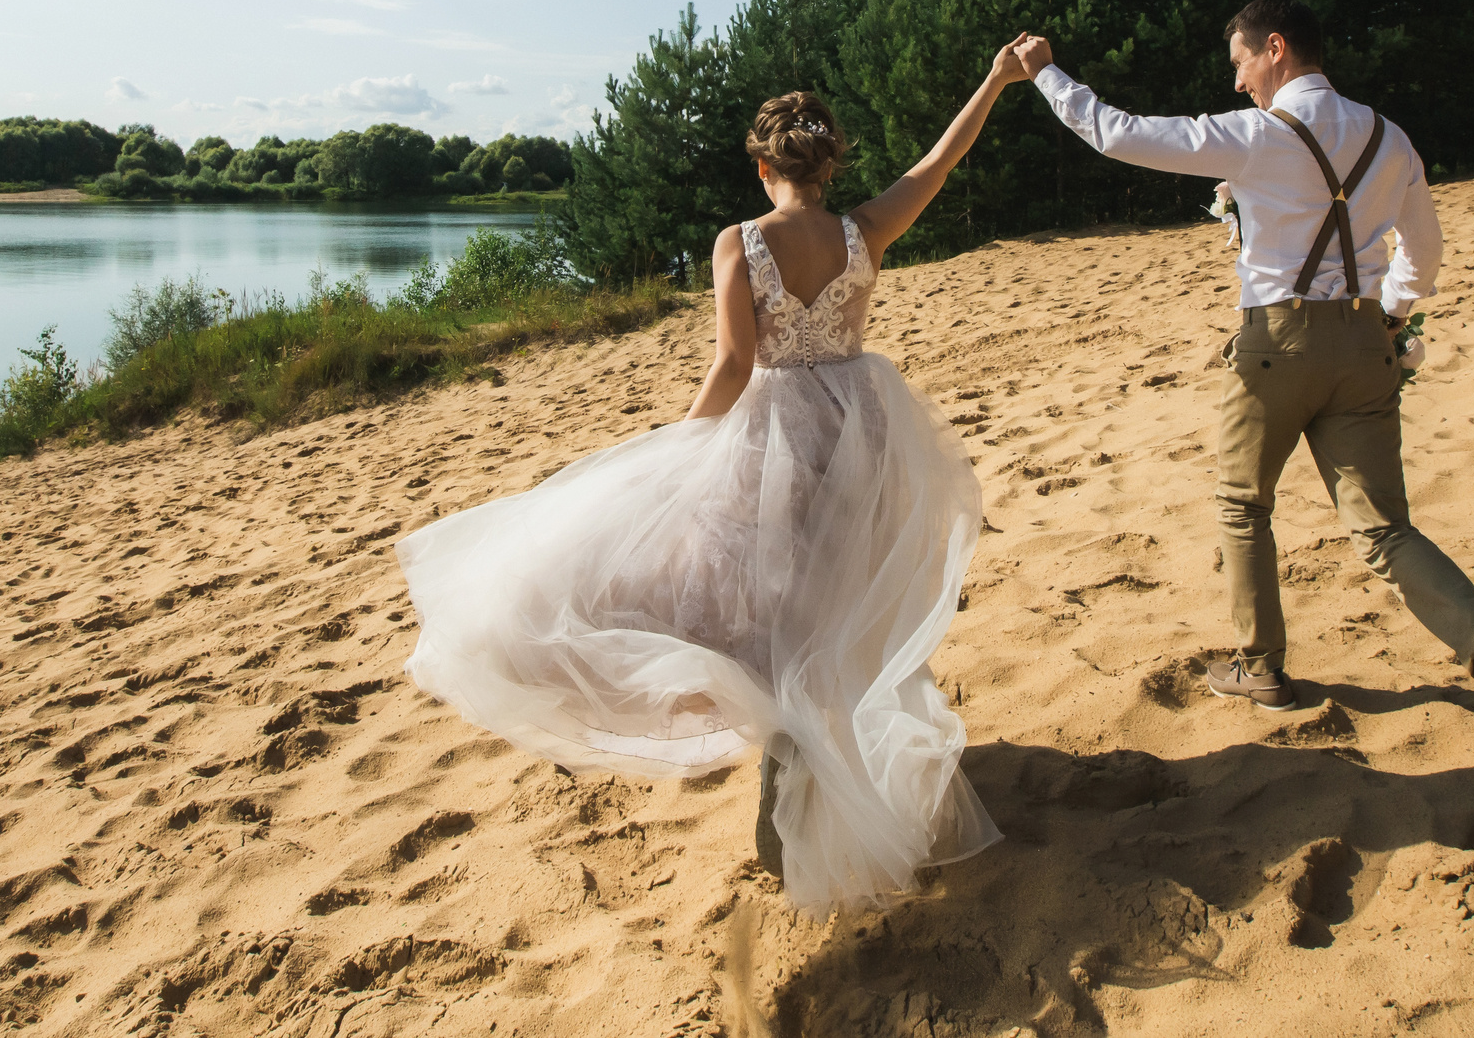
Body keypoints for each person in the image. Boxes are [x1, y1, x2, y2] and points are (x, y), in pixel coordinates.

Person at [398, 52, 1031, 910]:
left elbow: (735, 363)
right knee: (836, 612)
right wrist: (991, 81)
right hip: (862, 434)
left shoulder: (742, 241)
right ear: (830, 163)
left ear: (764, 167)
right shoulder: (864, 232)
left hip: (777, 439)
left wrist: (680, 450)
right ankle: (818, 779)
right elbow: (939, 161)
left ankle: (791, 780)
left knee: (765, 611)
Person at [1008, 0, 1474, 788]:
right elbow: (1425, 248)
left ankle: (1262, 667)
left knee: (1243, 503)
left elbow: (1117, 131)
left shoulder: (1257, 135)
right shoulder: (1389, 136)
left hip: (1276, 346)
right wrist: (1392, 314)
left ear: (1275, 48)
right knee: (1386, 530)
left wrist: (1047, 73)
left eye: (1241, 62)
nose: (1238, 81)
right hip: (1367, 345)